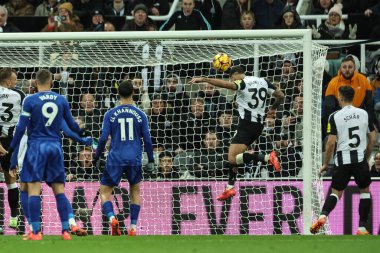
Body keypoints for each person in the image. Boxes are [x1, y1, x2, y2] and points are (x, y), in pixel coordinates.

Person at [8, 69, 86, 240]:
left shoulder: (30, 100)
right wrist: (83, 134)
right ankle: (66, 230)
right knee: (59, 191)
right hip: (55, 147)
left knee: (33, 189)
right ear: (52, 82)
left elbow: (21, 128)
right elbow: (72, 125)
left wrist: (12, 152)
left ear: (35, 83)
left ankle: (36, 232)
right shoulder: (61, 100)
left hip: (37, 147)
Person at [189, 65, 284, 201]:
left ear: (236, 74)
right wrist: (273, 108)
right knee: (236, 157)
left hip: (246, 125)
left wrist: (204, 79)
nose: (232, 80)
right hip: (258, 126)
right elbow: (281, 95)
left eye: (232, 77)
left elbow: (226, 85)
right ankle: (230, 187)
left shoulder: (242, 82)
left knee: (232, 158)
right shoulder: (264, 81)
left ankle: (267, 158)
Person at [310, 85, 376, 235]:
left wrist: (326, 163)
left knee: (336, 192)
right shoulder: (364, 113)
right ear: (353, 97)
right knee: (364, 191)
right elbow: (372, 138)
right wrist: (366, 156)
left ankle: (322, 216)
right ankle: (362, 228)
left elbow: (331, 142)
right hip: (359, 159)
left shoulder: (334, 116)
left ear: (339, 97)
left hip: (342, 160)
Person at [93, 80, 154, 236]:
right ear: (134, 92)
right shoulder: (140, 114)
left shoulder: (110, 114)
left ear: (118, 94)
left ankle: (112, 218)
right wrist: (151, 160)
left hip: (115, 158)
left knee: (105, 191)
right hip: (134, 158)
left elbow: (102, 139)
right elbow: (147, 139)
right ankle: (132, 227)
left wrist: (97, 156)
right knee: (135, 192)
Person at [323, 55, 374, 136]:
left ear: (354, 68)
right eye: (344, 67)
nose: (347, 69)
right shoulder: (333, 82)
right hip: (340, 118)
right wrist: (332, 127)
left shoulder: (363, 80)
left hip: (359, 117)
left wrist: (370, 122)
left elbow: (369, 104)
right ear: (340, 68)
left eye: (350, 67)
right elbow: (329, 108)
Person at [0, 68, 24, 230]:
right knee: (11, 179)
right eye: (14, 80)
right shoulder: (19, 95)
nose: (15, 83)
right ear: (8, 81)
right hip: (10, 141)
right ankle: (14, 215)